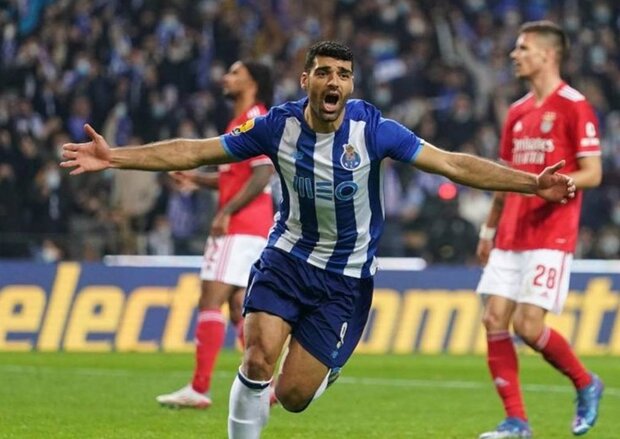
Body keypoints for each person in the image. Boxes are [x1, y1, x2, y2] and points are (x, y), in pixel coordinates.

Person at [61, 41, 575, 439]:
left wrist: (532, 184)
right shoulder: (275, 127)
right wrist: (115, 157)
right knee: (257, 357)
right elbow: (195, 151)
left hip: (345, 279)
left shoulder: (374, 130)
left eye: (343, 74)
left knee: (293, 395)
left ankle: (322, 368)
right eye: (325, 72)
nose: (334, 81)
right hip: (286, 257)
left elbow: (453, 164)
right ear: (306, 79)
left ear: (351, 85)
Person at [475, 21, 603, 439]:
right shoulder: (517, 112)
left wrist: (556, 185)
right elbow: (505, 177)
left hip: (551, 234)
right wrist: (489, 229)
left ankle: (585, 381)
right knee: (494, 318)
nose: (515, 55)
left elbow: (593, 173)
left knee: (528, 327)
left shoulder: (574, 105)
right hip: (511, 232)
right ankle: (516, 421)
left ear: (548, 55)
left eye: (523, 48)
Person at [155, 60, 275, 409]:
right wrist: (196, 179)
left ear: (253, 82)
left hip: (240, 227)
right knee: (239, 307)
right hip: (255, 227)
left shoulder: (254, 120)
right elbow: (234, 177)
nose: (226, 77)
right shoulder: (240, 122)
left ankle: (199, 388)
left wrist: (226, 212)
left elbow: (262, 174)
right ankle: (265, 386)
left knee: (210, 299)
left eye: (235, 73)